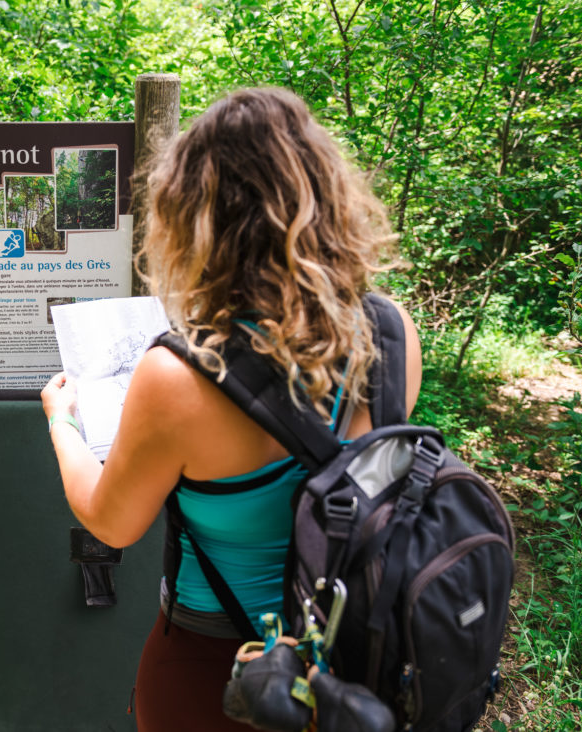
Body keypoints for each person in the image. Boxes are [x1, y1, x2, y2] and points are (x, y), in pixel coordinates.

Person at [41, 87, 423, 731]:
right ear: (328, 198)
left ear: (196, 218)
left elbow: (111, 522)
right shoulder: (390, 331)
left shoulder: (181, 374)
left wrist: (63, 423)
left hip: (215, 665)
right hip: (357, 663)